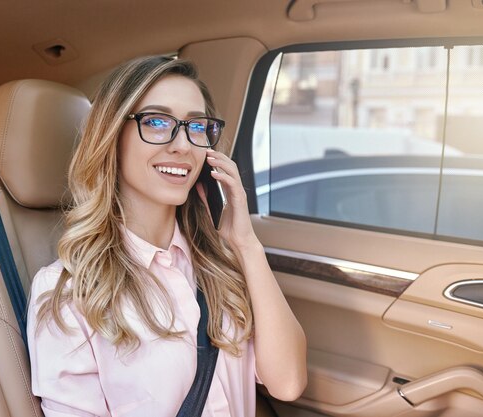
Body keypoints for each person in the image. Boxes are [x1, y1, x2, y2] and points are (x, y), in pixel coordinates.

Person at [27, 55, 307, 417]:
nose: (183, 146)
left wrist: (247, 246)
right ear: (112, 137)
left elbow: (288, 383)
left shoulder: (218, 266)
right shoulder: (69, 293)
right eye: (157, 122)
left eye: (197, 126)